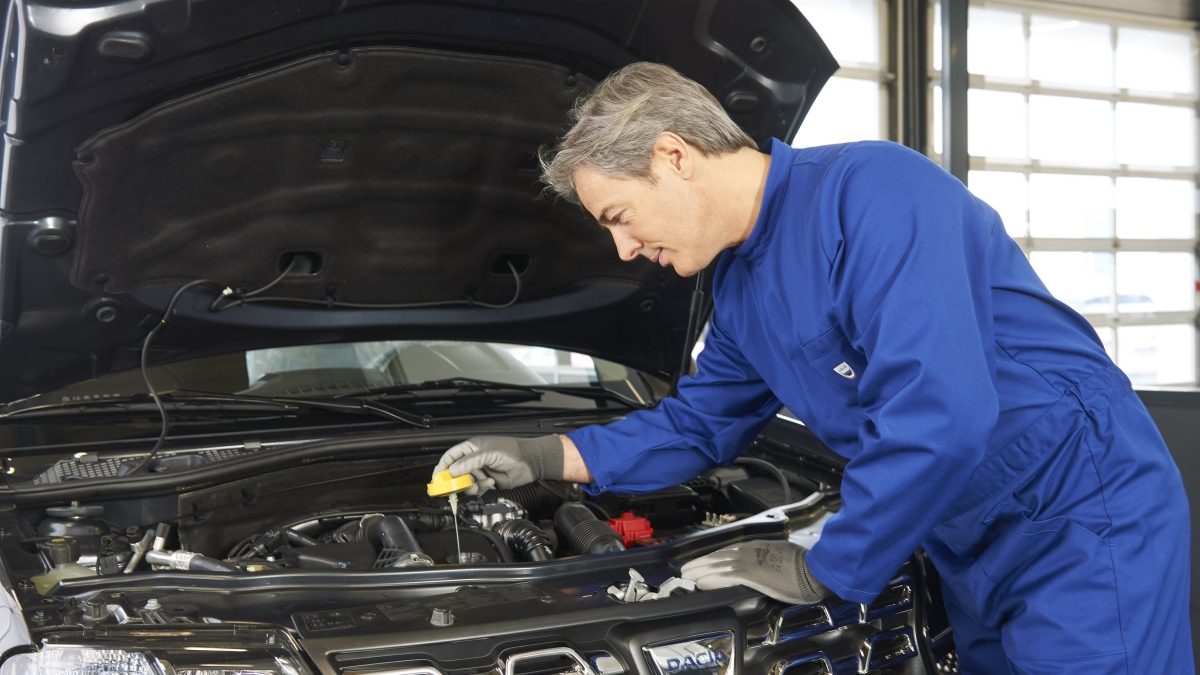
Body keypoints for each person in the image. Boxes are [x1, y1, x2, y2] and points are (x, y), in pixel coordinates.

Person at [433, 62, 1193, 673]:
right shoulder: (737, 288)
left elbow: (944, 414)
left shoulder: (876, 195)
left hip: (1079, 514)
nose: (625, 253)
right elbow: (701, 423)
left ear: (673, 154)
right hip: (962, 533)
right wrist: (543, 457)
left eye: (620, 218)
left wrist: (824, 565)